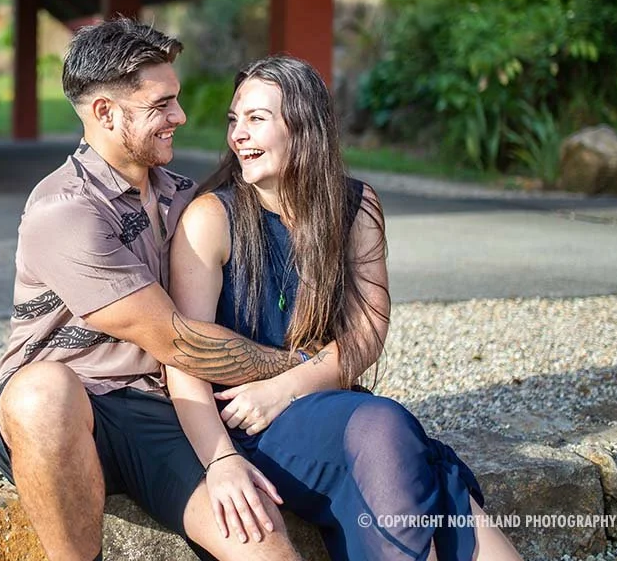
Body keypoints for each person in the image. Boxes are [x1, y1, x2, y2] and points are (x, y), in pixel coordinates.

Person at [167, 55, 523, 561]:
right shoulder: (210, 218)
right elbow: (182, 357)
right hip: (246, 428)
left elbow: (367, 331)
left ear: (304, 127)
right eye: (234, 120)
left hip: (334, 410)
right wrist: (219, 459)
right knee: (385, 425)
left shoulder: (355, 207)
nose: (238, 135)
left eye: (256, 119)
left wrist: (284, 389)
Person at [0, 19, 311, 561]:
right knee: (42, 391)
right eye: (161, 105)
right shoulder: (65, 210)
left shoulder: (186, 198)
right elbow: (178, 340)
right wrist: (304, 367)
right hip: (70, 412)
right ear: (105, 114)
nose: (180, 117)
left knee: (268, 552)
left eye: (176, 100)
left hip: (162, 411)